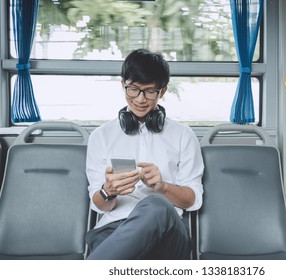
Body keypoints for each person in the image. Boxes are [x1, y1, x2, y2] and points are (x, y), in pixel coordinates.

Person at [85, 49, 204, 260]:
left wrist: (163, 187)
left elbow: (193, 200)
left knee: (156, 204)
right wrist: (108, 191)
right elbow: (98, 204)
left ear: (163, 91)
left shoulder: (183, 135)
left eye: (149, 91)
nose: (140, 99)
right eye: (134, 89)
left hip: (168, 235)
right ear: (123, 85)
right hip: (113, 231)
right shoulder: (100, 136)